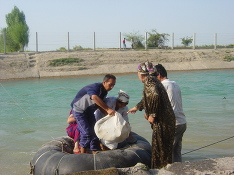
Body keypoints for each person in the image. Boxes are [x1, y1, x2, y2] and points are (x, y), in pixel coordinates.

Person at [127, 61, 175, 169]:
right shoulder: (154, 80)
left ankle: (160, 170)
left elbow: (154, 95)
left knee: (159, 149)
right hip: (168, 120)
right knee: (165, 149)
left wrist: (152, 115)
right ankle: (167, 168)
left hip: (162, 122)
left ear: (140, 74)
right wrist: (137, 107)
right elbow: (148, 98)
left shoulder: (149, 81)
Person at [70, 74, 116, 154]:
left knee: (95, 132)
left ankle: (95, 151)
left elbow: (99, 105)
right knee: (86, 133)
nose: (112, 87)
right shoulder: (95, 87)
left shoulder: (104, 92)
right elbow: (94, 97)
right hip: (80, 111)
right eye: (110, 84)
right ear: (104, 82)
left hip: (89, 112)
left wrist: (108, 115)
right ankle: (82, 155)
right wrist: (108, 109)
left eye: (113, 85)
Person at [155, 64, 187, 163]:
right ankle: (179, 169)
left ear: (159, 75)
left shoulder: (162, 86)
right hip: (181, 122)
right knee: (176, 150)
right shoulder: (175, 84)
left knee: (166, 152)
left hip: (172, 124)